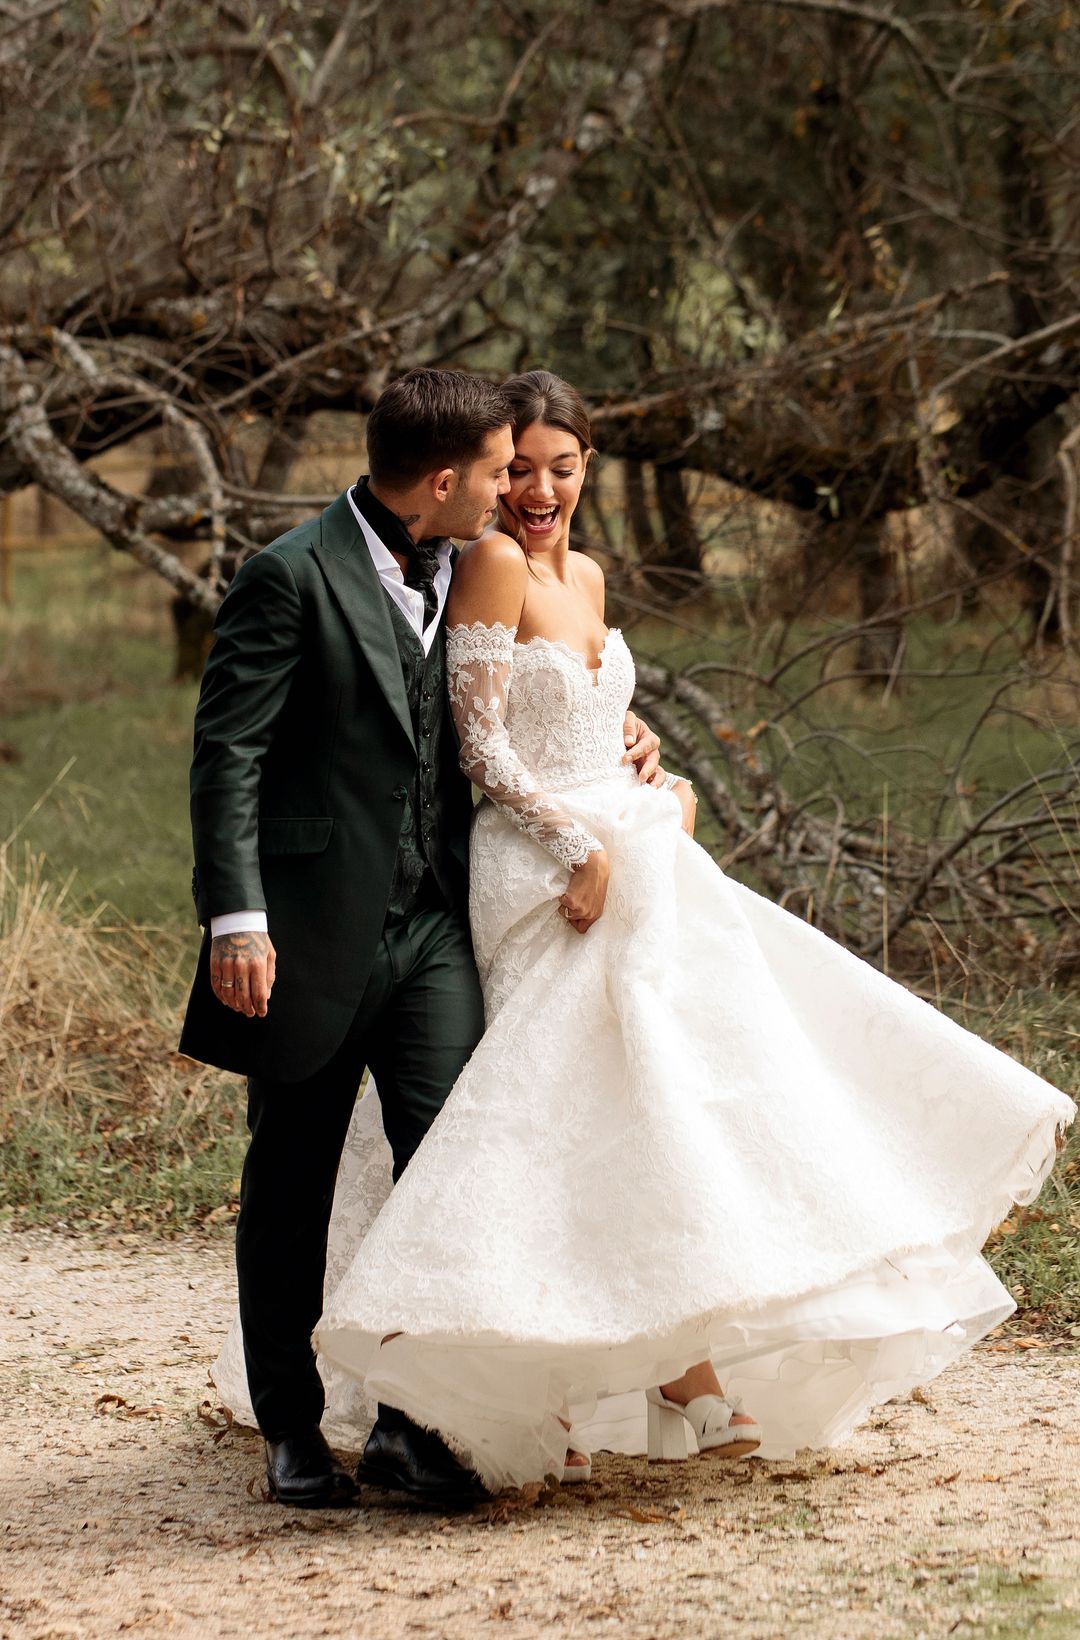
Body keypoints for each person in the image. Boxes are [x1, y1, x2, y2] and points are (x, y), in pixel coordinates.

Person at [304, 368, 1074, 1492]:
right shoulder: (490, 563)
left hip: (629, 844)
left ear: (587, 472)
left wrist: (649, 750)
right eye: (517, 469)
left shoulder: (591, 570)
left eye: (561, 469)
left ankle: (683, 1358)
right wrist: (578, 845)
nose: (537, 490)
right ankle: (577, 1377)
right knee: (558, 1115)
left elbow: (578, 695)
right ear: (487, 472)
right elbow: (483, 745)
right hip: (541, 866)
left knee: (669, 1095)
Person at [180, 363, 666, 1507]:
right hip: (305, 933)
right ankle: (292, 1429)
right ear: (444, 479)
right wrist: (237, 918)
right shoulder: (286, 577)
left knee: (450, 1165)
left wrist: (618, 730)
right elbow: (228, 756)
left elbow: (499, 705)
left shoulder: (474, 565)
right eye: (500, 471)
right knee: (291, 1176)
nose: (516, 490)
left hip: (439, 922)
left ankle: (411, 1423)